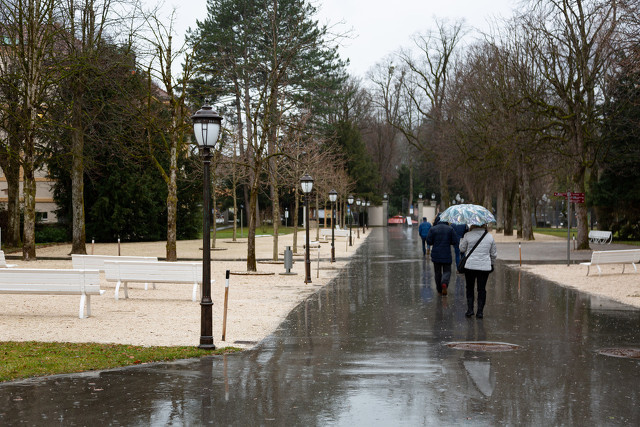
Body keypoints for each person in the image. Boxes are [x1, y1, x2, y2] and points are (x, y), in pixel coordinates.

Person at [459, 224, 497, 318]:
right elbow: (493, 253)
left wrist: (461, 239)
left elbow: (462, 249)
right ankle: (480, 312)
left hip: (470, 266)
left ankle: (470, 310)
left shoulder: (468, 235)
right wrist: (491, 264)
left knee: (470, 288)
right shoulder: (489, 237)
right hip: (484, 267)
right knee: (481, 289)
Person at [426, 215, 459, 295]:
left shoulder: (433, 229)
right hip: (446, 254)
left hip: (436, 255)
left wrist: (435, 242)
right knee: (447, 271)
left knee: (437, 272)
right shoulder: (450, 229)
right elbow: (455, 241)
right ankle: (444, 282)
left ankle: (439, 290)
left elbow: (429, 241)